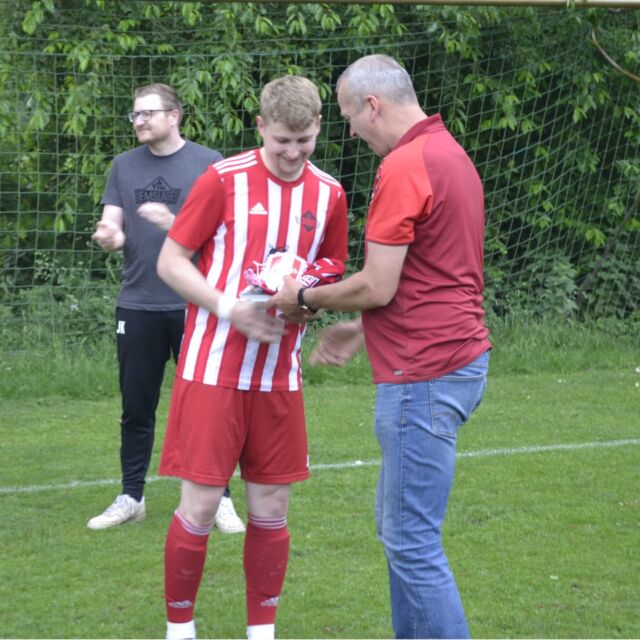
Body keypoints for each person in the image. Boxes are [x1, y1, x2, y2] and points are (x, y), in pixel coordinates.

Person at [270, 55, 492, 639]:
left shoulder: (405, 164)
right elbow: (436, 277)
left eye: (347, 116)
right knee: (403, 533)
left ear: (373, 105)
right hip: (454, 359)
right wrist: (363, 327)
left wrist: (307, 297)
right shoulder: (451, 154)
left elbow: (378, 283)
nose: (349, 131)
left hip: (425, 374)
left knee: (411, 541)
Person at [156, 75, 348, 640]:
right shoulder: (223, 179)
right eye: (282, 140)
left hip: (278, 375)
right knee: (200, 505)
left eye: (304, 140)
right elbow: (172, 262)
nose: (292, 153)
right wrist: (226, 307)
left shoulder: (330, 194)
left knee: (271, 508)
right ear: (261, 127)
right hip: (212, 369)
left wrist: (308, 307)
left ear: (318, 128)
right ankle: (180, 629)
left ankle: (261, 633)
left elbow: (329, 271)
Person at [88, 83, 244, 535]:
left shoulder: (209, 163)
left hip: (196, 303)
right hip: (137, 304)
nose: (139, 121)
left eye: (148, 113)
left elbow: (227, 234)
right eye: (134, 115)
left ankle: (221, 501)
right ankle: (131, 496)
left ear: (175, 115)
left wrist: (174, 224)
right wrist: (109, 237)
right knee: (137, 406)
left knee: (208, 406)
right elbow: (112, 224)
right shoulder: (123, 166)